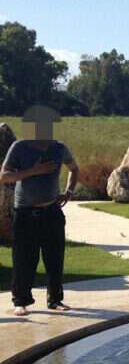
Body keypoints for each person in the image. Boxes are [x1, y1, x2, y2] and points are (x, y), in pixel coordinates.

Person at [0, 105, 79, 316]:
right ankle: (20, 301)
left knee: (55, 257)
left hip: (51, 211)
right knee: (24, 258)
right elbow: (4, 176)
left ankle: (55, 299)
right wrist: (34, 171)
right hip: (25, 212)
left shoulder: (59, 148)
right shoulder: (19, 147)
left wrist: (69, 191)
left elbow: (74, 168)